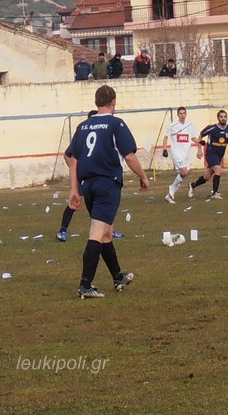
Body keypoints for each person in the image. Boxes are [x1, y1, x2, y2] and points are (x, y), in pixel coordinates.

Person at [65, 85, 149, 299]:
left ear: (96, 102)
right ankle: (85, 284)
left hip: (88, 185)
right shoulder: (116, 123)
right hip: (107, 184)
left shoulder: (83, 126)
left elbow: (72, 158)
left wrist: (75, 189)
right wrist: (143, 176)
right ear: (113, 103)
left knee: (106, 233)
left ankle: (117, 276)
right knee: (96, 233)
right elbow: (129, 156)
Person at [56, 110, 124, 241]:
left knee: (103, 204)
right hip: (86, 175)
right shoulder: (84, 133)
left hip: (97, 175)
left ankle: (109, 230)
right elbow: (67, 154)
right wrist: (73, 168)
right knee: (75, 202)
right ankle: (63, 230)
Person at [188, 110, 228, 200]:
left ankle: (192, 185)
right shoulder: (212, 128)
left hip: (219, 155)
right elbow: (200, 136)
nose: (223, 118)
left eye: (224, 117)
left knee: (207, 176)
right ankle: (215, 193)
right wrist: (199, 150)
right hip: (210, 152)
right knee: (219, 171)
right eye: (221, 117)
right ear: (218, 118)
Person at [162, 106, 199, 203]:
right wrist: (165, 149)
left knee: (183, 173)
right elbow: (165, 137)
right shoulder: (173, 125)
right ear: (178, 115)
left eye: (184, 113)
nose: (182, 115)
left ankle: (169, 195)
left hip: (185, 154)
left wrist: (200, 143)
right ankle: (171, 188)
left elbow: (193, 138)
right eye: (180, 113)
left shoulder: (190, 125)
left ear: (186, 114)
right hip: (176, 153)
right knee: (185, 172)